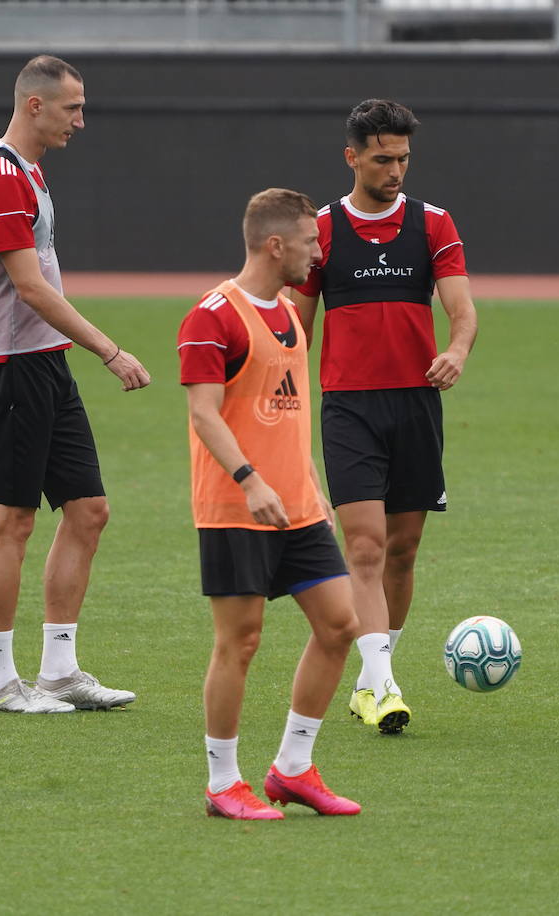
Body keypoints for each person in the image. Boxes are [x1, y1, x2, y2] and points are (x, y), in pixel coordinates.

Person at [0, 55, 149, 713]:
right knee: (11, 520)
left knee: (88, 510)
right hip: (10, 364)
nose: (81, 119)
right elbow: (29, 287)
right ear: (35, 105)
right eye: (72, 107)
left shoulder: (30, 172)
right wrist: (110, 349)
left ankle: (61, 671)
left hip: (43, 361)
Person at [289, 99, 479, 735]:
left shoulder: (433, 224)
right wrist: (278, 403)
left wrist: (455, 350)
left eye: (403, 158)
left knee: (403, 550)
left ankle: (373, 676)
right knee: (364, 548)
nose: (395, 169)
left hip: (416, 405)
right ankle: (384, 685)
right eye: (382, 158)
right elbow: (294, 331)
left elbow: (462, 310)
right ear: (352, 157)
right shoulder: (320, 231)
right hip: (350, 408)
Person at [179, 188, 362, 820]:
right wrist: (251, 479)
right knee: (241, 641)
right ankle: (222, 783)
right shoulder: (212, 315)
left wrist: (307, 480)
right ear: (275, 244)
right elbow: (204, 413)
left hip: (298, 507)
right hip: (235, 507)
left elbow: (287, 409)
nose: (319, 252)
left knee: (340, 625)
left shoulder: (288, 310)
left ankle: (292, 769)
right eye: (311, 242)